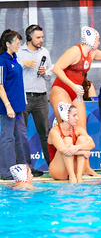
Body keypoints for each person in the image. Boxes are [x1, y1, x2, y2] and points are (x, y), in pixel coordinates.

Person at [50, 26, 101, 176]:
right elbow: (56, 68)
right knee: (67, 128)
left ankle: (85, 167)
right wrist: (73, 85)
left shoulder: (91, 53)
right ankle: (66, 168)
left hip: (76, 91)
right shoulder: (75, 51)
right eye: (98, 40)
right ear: (90, 40)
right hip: (61, 90)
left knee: (81, 129)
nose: (100, 43)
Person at [0, 29, 43, 180]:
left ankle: (25, 167)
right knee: (7, 138)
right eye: (16, 43)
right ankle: (7, 171)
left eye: (19, 43)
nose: (19, 45)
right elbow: (0, 85)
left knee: (22, 136)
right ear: (7, 44)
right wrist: (7, 105)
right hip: (8, 107)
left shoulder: (14, 58)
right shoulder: (2, 61)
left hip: (19, 105)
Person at [17, 24, 53, 165]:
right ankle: (22, 166)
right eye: (38, 37)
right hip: (24, 97)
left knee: (45, 133)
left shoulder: (44, 52)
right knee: (21, 133)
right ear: (29, 37)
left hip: (41, 97)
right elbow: (12, 73)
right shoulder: (19, 52)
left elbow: (50, 74)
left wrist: (46, 73)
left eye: (42, 37)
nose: (41, 40)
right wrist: (23, 64)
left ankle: (52, 165)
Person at [48, 102, 95, 183]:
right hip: (58, 171)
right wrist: (83, 152)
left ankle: (79, 177)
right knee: (67, 140)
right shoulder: (55, 131)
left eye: (77, 115)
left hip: (74, 168)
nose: (77, 118)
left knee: (82, 139)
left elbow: (91, 144)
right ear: (65, 117)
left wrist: (77, 147)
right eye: (74, 115)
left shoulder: (78, 129)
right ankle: (72, 177)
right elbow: (63, 149)